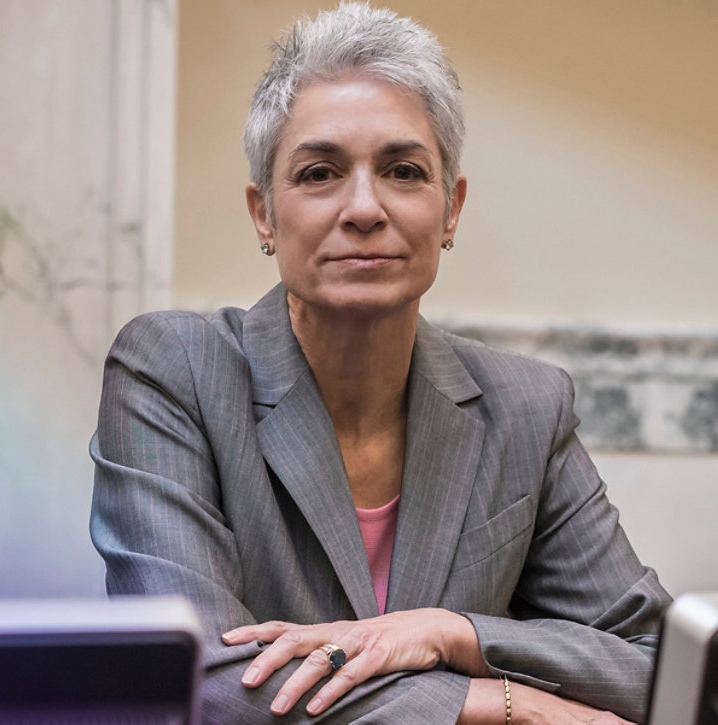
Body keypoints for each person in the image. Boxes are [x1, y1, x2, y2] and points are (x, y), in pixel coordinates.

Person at [89, 3, 671, 723]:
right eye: (320, 172)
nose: (364, 207)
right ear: (263, 213)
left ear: (450, 209)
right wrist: (505, 706)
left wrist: (449, 632)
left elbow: (656, 663)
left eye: (402, 170)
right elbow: (203, 681)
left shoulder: (527, 405)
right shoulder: (174, 370)